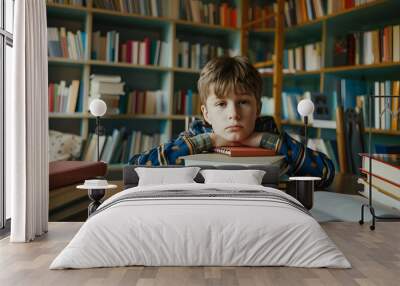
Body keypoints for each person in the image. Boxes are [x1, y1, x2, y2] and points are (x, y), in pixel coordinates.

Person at [129, 56, 335, 187]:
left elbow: (326, 173)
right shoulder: (194, 136)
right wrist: (207, 141)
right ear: (206, 113)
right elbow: (135, 168)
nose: (234, 114)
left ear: (258, 109)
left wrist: (265, 140)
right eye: (221, 104)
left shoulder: (273, 138)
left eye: (243, 102)